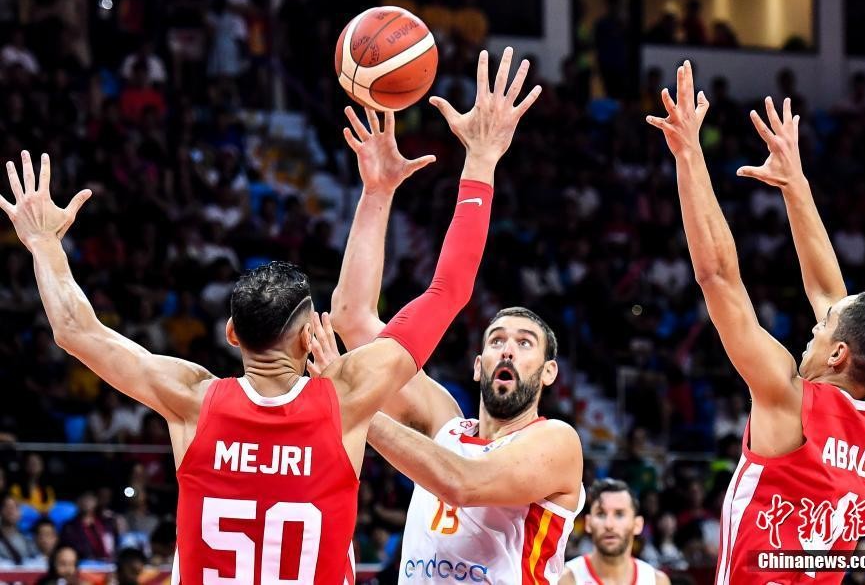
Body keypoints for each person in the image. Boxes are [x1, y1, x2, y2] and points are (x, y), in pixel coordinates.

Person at [0, 43, 533, 582]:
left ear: (232, 333)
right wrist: (480, 159)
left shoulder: (191, 399)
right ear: (307, 339)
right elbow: (449, 290)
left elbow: (75, 330)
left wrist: (44, 244)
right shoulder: (347, 399)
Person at [646, 62, 865, 583]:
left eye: (824, 327)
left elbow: (718, 278)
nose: (815, 326)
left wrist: (689, 156)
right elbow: (830, 295)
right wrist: (795, 185)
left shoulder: (789, 399)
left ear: (839, 354)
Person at [330, 47, 583, 583]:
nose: (507, 349)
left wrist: (353, 406)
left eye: (525, 343)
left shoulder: (555, 442)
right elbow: (351, 320)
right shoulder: (443, 422)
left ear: (549, 372)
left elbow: (464, 483)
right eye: (496, 340)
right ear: (477, 364)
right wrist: (377, 194)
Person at [560, 479, 670, 585]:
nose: (609, 525)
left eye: (619, 514)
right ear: (588, 523)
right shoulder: (566, 579)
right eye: (601, 514)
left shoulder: (657, 581)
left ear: (638, 524)